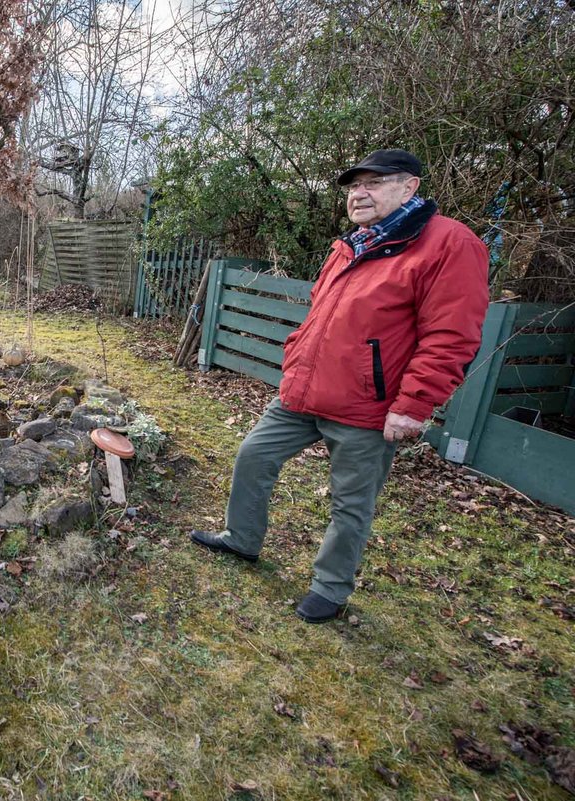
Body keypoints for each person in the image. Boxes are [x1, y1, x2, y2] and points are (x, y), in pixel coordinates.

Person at [189, 149, 490, 623]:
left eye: (374, 183)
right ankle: (242, 539)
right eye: (353, 186)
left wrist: (412, 405)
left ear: (409, 187)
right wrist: (295, 361)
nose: (359, 194)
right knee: (254, 455)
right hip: (303, 395)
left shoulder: (449, 244)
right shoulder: (352, 244)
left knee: (351, 504)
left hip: (367, 408)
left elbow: (452, 336)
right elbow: (320, 318)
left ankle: (330, 589)